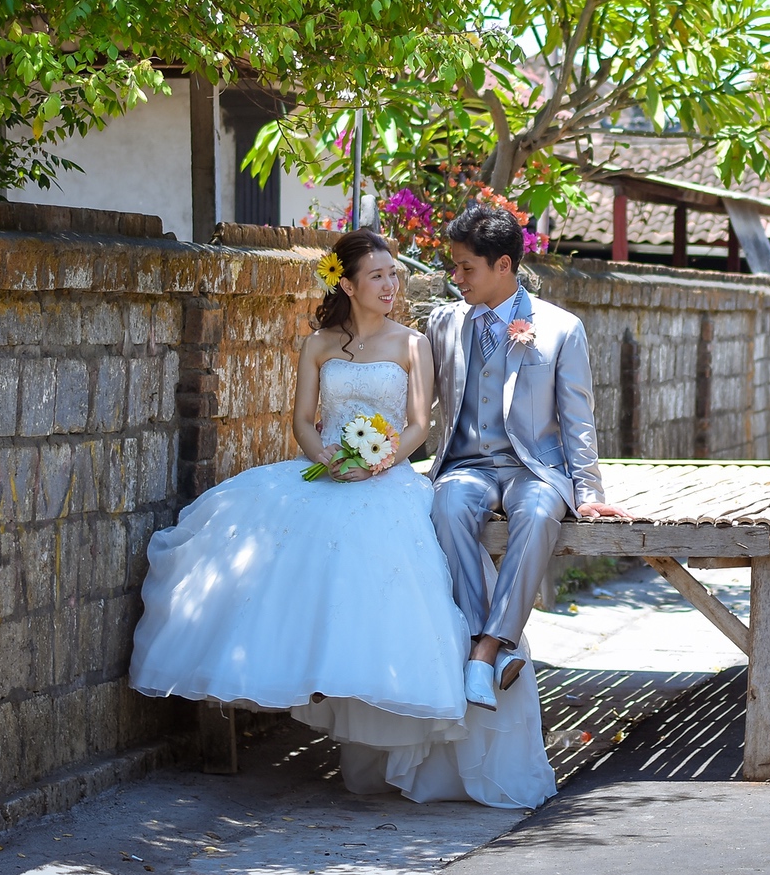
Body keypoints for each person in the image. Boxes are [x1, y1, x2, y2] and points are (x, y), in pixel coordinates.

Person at [129, 229, 555, 809]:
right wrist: (328, 458)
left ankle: (406, 726)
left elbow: (419, 425)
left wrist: (380, 460)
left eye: (394, 274)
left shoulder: (414, 343)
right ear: (348, 285)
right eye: (377, 276)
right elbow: (303, 421)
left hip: (388, 478)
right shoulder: (319, 344)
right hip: (325, 471)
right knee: (260, 550)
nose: (391, 284)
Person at [427, 203, 630, 711]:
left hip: (534, 468)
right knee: (446, 504)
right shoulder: (443, 323)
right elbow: (416, 396)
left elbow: (578, 417)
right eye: (454, 266)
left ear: (503, 265)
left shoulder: (561, 327)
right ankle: (484, 643)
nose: (456, 278)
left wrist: (590, 492)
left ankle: (487, 647)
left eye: (466, 267)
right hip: (467, 465)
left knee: (539, 512)